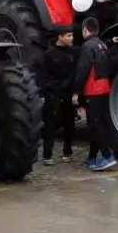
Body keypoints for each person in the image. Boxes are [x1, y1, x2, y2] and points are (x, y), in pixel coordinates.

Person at [72, 18, 116, 171]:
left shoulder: (87, 46)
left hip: (93, 89)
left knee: (94, 125)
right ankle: (92, 157)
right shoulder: (102, 45)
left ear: (85, 30)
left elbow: (82, 70)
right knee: (99, 123)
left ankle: (107, 156)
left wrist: (76, 91)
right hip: (105, 88)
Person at [41, 26, 77, 165]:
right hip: (54, 93)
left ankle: (67, 152)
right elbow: (43, 75)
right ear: (60, 37)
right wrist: (47, 91)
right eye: (68, 35)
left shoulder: (73, 52)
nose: (71, 38)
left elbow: (88, 49)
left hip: (68, 93)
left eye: (72, 35)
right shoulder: (49, 54)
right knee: (50, 124)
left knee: (70, 123)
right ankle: (47, 155)